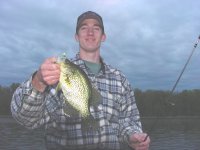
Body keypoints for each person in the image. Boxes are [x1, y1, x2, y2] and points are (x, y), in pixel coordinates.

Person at [11, 11, 150, 150]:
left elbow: (128, 121)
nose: (90, 32)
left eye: (96, 28)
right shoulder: (54, 74)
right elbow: (26, 120)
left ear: (103, 37)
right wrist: (38, 81)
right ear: (76, 37)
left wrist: (133, 136)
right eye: (84, 28)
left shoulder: (120, 79)